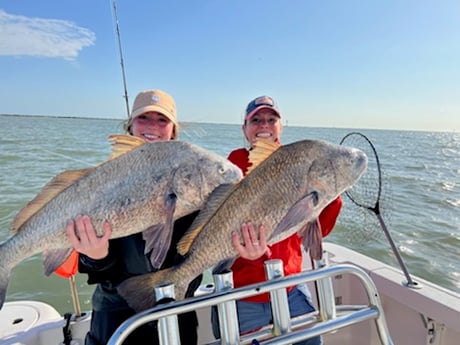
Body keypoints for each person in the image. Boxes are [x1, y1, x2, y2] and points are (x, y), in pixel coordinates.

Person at [66, 89, 200, 345]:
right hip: (117, 313)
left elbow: (202, 248)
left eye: (162, 120)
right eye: (143, 119)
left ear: (173, 130)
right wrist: (96, 256)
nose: (152, 127)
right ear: (130, 127)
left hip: (176, 309)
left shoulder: (191, 180)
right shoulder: (104, 181)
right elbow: (94, 269)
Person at [212, 95, 343, 345]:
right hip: (244, 295)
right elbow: (218, 227)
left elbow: (318, 230)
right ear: (245, 128)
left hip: (291, 287)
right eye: (256, 120)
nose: (264, 125)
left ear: (281, 126)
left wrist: (331, 194)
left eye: (272, 120)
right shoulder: (233, 165)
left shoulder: (302, 163)